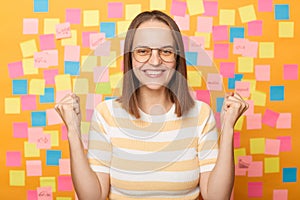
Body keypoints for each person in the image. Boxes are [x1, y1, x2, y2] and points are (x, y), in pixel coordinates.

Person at [55, 10, 248, 200]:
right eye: (143, 51)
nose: (155, 61)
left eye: (166, 51)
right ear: (130, 57)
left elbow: (217, 197)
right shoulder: (106, 115)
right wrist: (72, 129)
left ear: (177, 58)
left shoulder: (201, 114)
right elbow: (92, 196)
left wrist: (228, 128)